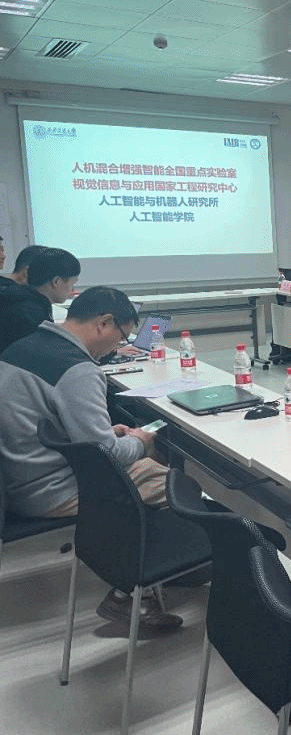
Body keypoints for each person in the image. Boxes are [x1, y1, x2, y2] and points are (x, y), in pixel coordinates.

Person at [0, 286, 182, 628]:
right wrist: (140, 441)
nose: (117, 347)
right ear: (104, 323)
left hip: (18, 476)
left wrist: (105, 432)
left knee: (146, 468)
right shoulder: (78, 369)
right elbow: (107, 455)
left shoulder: (21, 347)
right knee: (174, 485)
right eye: (121, 337)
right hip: (50, 490)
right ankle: (131, 593)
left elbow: (46, 422)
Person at [0, 247, 80, 354]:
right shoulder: (31, 315)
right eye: (72, 283)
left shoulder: (18, 300)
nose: (73, 289)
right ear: (57, 281)